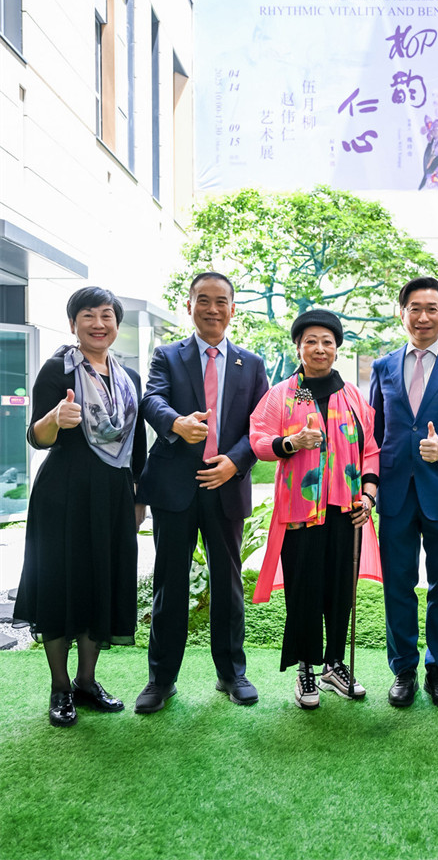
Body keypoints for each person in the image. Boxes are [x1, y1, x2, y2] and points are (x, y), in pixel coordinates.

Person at [135, 272, 268, 713]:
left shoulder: (252, 364)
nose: (212, 309)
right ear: (189, 305)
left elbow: (261, 425)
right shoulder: (167, 355)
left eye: (221, 301)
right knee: (170, 585)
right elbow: (152, 400)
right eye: (203, 300)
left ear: (233, 309)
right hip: (175, 486)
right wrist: (175, 422)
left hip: (226, 485)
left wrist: (235, 461)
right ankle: (161, 680)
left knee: (228, 584)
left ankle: (231, 674)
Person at [13, 287, 146, 727]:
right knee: (59, 583)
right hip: (63, 494)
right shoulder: (58, 370)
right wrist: (55, 419)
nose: (98, 323)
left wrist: (138, 497)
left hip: (113, 494)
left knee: (100, 582)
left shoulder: (128, 378)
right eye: (87, 315)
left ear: (117, 324)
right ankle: (60, 686)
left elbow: (137, 444)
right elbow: (36, 437)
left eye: (106, 315)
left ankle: (86, 681)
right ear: (73, 324)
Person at [250, 309, 381, 709]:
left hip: (346, 511)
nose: (319, 349)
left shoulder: (351, 396)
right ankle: (306, 667)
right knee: (304, 591)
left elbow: (371, 451)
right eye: (311, 342)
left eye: (327, 342)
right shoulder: (288, 394)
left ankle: (334, 665)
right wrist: (292, 442)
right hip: (299, 514)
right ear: (299, 348)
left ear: (337, 349)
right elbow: (260, 440)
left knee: (340, 592)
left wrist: (369, 496)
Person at [369, 277, 438, 709]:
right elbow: (374, 432)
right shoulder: (383, 367)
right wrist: (369, 484)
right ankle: (403, 669)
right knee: (398, 584)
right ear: (402, 314)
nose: (423, 317)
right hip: (395, 491)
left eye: (431, 308)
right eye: (414, 308)